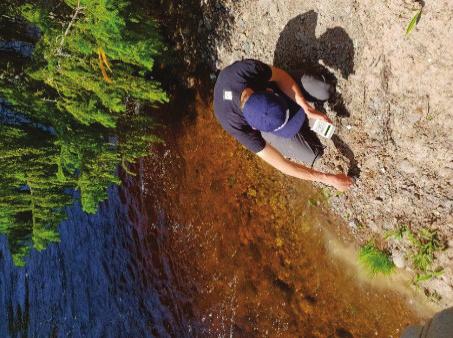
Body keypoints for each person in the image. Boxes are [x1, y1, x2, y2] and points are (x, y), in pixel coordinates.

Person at [213, 58, 353, 191]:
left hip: (274, 94)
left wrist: (305, 107)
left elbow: (280, 76)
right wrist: (328, 179)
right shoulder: (235, 125)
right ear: (254, 128)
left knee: (325, 89)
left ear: (268, 90)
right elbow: (282, 164)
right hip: (265, 115)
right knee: (313, 154)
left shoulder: (247, 71)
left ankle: (297, 112)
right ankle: (288, 126)